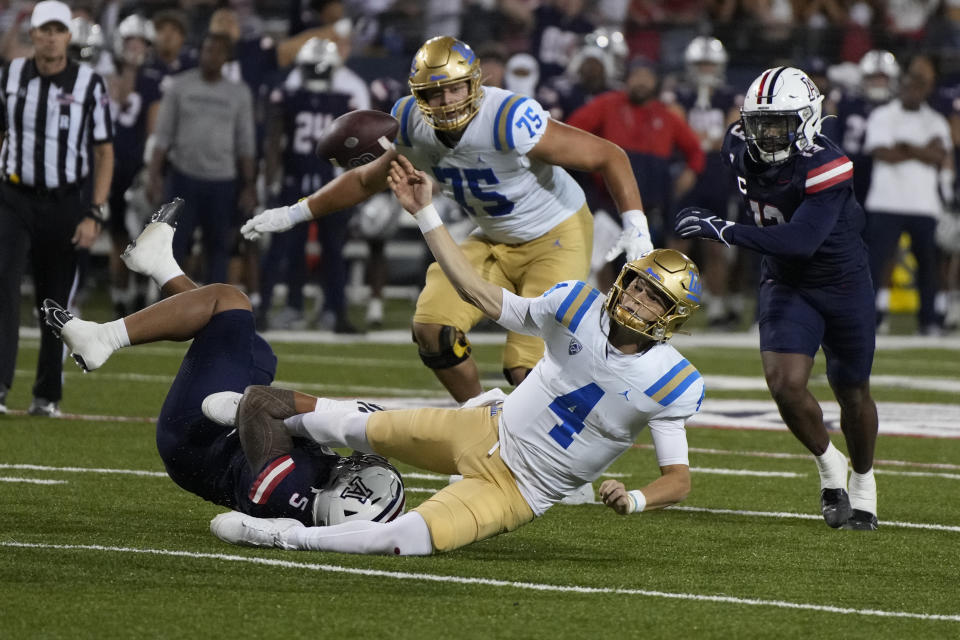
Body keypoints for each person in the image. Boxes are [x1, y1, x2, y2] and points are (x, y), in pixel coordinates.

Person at [207, 154, 704, 556]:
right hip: (486, 425)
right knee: (352, 426)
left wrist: (636, 499)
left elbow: (678, 480)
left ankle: (276, 534)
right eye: (637, 287)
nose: (638, 301)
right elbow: (476, 292)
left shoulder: (673, 382)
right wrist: (425, 213)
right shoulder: (576, 304)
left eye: (654, 299)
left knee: (405, 539)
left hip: (517, 490)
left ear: (671, 316)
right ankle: (258, 413)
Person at [239, 36, 652, 406]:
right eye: (434, 94)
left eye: (455, 87)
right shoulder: (410, 124)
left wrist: (636, 223)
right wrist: (294, 212)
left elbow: (607, 155)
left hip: (556, 234)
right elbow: (366, 180)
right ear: (418, 96)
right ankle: (481, 420)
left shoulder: (508, 118)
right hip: (492, 236)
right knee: (433, 330)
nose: (447, 101)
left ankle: (554, 447)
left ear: (475, 83)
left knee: (524, 369)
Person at [41, 199, 405, 526]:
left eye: (355, 476)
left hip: (195, 434)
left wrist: (343, 413)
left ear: (348, 495)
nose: (354, 465)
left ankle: (103, 338)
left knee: (228, 301)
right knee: (257, 350)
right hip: (213, 436)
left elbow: (256, 403)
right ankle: (161, 267)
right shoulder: (309, 502)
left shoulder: (287, 487)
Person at [675, 66, 880, 531]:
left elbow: (799, 241)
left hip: (843, 283)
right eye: (759, 123)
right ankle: (831, 468)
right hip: (787, 282)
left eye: (780, 124)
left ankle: (864, 479)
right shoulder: (736, 146)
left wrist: (721, 228)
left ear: (808, 120)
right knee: (784, 383)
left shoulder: (829, 165)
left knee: (852, 391)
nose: (766, 135)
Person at [0, 0, 114, 417]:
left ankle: (46, 394)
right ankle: (0, 384)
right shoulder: (10, 74)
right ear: (32, 33)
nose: (50, 36)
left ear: (69, 35)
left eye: (57, 29)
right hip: (12, 197)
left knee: (54, 301)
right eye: (43, 29)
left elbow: (104, 152)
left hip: (66, 201)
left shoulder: (88, 82)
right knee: (3, 286)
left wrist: (94, 212)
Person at [146, 31, 256, 285]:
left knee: (218, 249)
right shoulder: (180, 85)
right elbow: (162, 137)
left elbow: (246, 144)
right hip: (183, 178)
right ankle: (171, 308)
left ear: (227, 58)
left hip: (222, 181)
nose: (211, 56)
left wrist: (249, 184)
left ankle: (213, 310)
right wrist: (153, 176)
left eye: (218, 51)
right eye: (207, 50)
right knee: (174, 247)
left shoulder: (239, 93)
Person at [863, 55, 952, 336]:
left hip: (923, 204)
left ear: (926, 90)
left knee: (928, 265)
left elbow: (940, 155)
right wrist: (921, 151)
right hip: (886, 201)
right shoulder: (882, 115)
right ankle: (871, 317)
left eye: (919, 86)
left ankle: (929, 321)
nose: (914, 91)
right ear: (901, 87)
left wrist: (906, 147)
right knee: (876, 264)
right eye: (910, 85)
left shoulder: (935, 120)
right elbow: (881, 152)